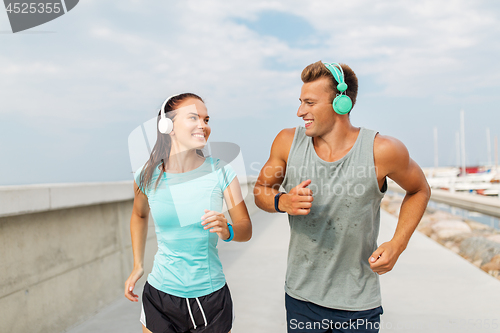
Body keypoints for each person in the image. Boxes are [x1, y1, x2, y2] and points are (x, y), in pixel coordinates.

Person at [254, 61, 431, 332]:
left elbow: (419, 189)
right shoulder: (287, 142)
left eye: (310, 103)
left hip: (358, 302)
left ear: (341, 104)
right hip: (302, 298)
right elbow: (260, 191)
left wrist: (398, 244)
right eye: (301, 102)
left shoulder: (382, 151)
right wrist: (283, 202)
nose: (300, 111)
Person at [125, 93, 252, 333]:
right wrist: (138, 264)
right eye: (194, 118)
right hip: (160, 296)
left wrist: (228, 230)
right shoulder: (146, 175)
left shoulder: (222, 172)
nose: (203, 125)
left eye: (206, 119)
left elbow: (245, 228)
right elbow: (139, 215)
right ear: (168, 125)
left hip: (211, 299)